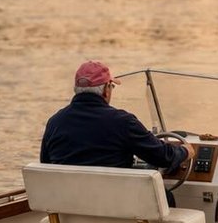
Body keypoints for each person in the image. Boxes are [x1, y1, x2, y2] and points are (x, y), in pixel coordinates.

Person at [40, 61, 194, 177]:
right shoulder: (123, 122)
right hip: (115, 210)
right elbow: (163, 157)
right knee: (166, 197)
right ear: (106, 89)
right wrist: (185, 151)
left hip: (70, 210)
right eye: (112, 87)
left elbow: (46, 166)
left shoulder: (55, 123)